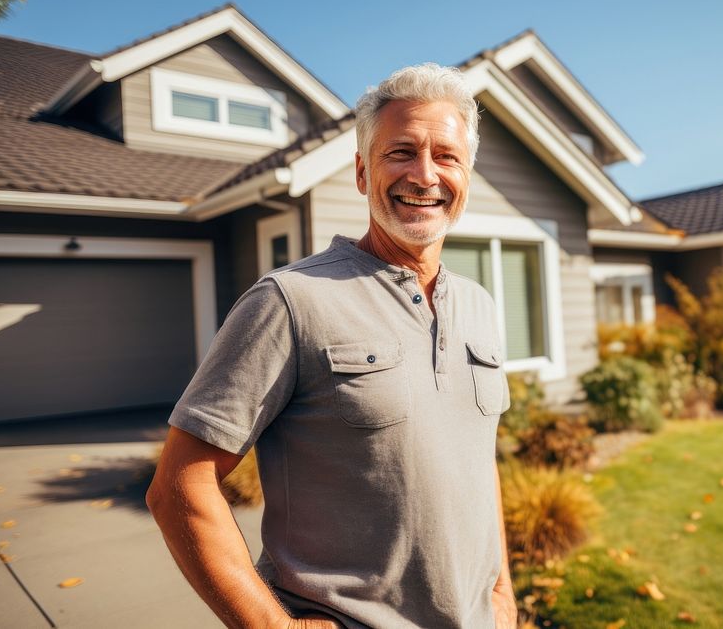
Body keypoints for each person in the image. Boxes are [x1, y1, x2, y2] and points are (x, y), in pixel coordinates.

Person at [146, 63, 517, 629]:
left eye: (446, 155)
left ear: (466, 175)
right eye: (400, 152)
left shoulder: (481, 306)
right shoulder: (290, 301)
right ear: (363, 173)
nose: (424, 175)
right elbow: (180, 487)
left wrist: (502, 597)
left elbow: (476, 459)